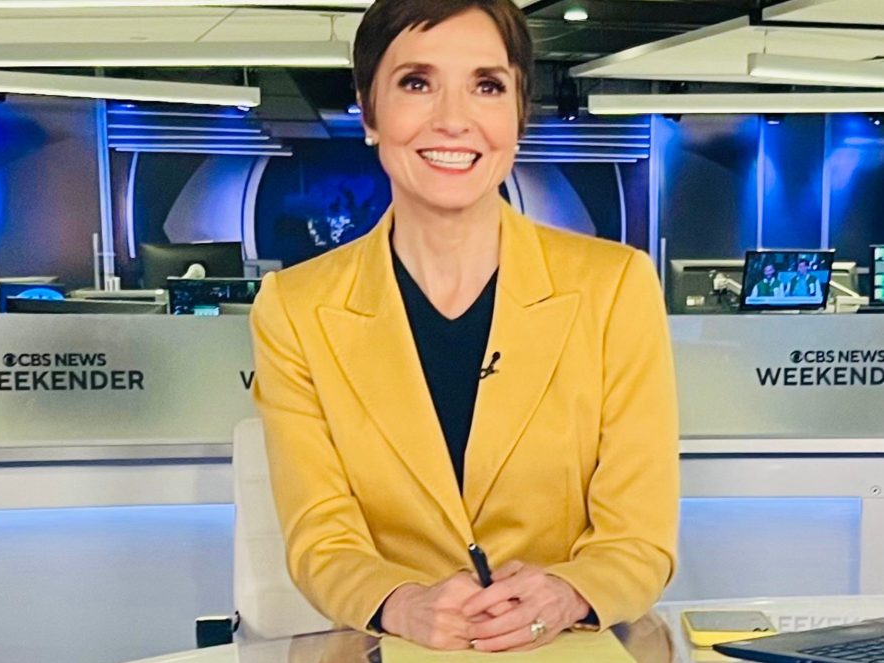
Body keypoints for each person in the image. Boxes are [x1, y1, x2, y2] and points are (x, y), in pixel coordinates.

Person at [249, 0, 679, 653]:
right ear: (370, 112)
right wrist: (400, 601)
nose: (454, 119)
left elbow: (640, 538)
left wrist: (568, 591)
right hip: (399, 651)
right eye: (417, 83)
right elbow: (322, 539)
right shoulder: (295, 308)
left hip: (564, 649)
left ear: (518, 113)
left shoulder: (616, 287)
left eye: (487, 86)